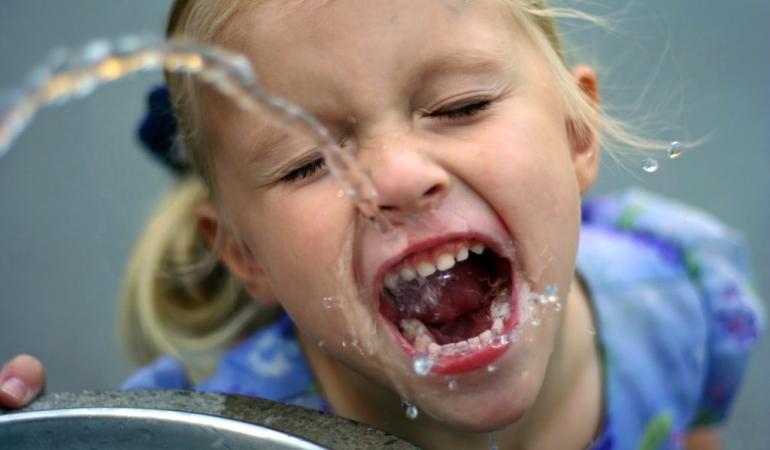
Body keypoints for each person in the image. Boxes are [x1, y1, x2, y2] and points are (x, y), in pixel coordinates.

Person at [1, 1, 764, 448]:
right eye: (306, 164)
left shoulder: (684, 297)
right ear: (244, 254)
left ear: (576, 131)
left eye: (459, 107)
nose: (393, 179)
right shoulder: (203, 437)